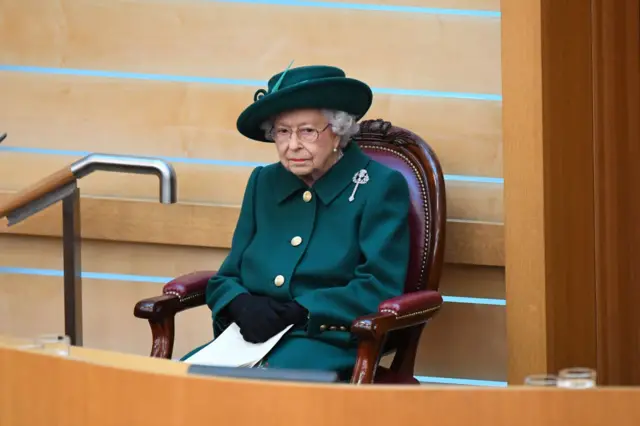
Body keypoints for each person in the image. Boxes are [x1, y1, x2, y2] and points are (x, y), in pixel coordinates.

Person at [182, 64, 411, 380]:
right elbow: (227, 276)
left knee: (252, 396)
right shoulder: (263, 182)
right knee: (175, 385)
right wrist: (241, 304)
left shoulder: (380, 186)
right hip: (246, 341)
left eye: (307, 131)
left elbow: (378, 285)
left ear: (339, 131)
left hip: (326, 339)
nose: (292, 145)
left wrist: (302, 309)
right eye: (283, 131)